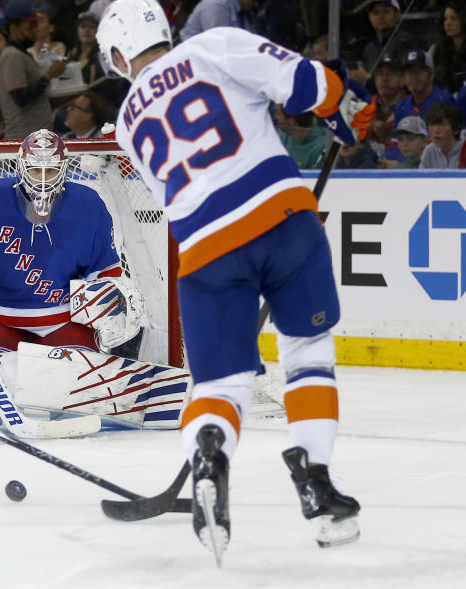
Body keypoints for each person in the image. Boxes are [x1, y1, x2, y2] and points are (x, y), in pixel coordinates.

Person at [99, 0, 369, 559]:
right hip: (280, 221)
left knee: (221, 385)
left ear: (121, 55)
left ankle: (210, 452)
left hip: (204, 252)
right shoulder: (213, 44)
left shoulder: (126, 122)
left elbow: (174, 193)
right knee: (308, 352)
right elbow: (308, 84)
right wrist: (344, 104)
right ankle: (316, 485)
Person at [0, 129, 124, 355]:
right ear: (21, 168)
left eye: (52, 170)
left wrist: (105, 307)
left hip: (64, 319)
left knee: (73, 384)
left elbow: (105, 270)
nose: (44, 179)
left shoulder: (89, 205)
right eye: (36, 170)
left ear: (64, 169)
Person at [0, 1, 65, 139]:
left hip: (35, 139)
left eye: (36, 24)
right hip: (23, 141)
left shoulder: (21, 54)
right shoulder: (12, 55)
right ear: (14, 27)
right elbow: (20, 97)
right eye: (30, 25)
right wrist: (49, 74)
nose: (35, 30)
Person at [355, 1, 417, 85]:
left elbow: (405, 80)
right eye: (376, 12)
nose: (381, 16)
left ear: (397, 15)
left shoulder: (405, 42)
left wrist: (368, 78)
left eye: (386, 12)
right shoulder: (369, 48)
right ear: (370, 17)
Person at [394, 50, 455, 124]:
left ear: (431, 75)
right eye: (409, 72)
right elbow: (396, 135)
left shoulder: (445, 101)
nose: (413, 76)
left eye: (418, 71)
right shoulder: (401, 106)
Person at [429, 1, 466, 94]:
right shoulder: (436, 50)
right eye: (445, 19)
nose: (448, 23)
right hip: (442, 103)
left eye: (453, 18)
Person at [179, 0, 259, 41]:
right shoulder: (218, 6)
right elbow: (219, 44)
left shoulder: (245, 11)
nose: (256, 4)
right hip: (194, 60)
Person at [420, 102, 464, 168]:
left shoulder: (464, 148)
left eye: (442, 125)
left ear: (456, 129)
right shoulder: (429, 151)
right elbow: (421, 177)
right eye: (432, 125)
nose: (436, 131)